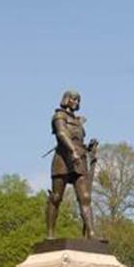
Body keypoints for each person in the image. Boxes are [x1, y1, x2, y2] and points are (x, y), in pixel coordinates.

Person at [46, 90, 99, 239]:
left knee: (85, 197)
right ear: (66, 100)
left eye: (78, 100)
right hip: (63, 159)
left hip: (79, 160)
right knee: (56, 197)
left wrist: (89, 148)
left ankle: (91, 233)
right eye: (74, 99)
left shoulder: (78, 122)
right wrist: (72, 151)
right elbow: (62, 134)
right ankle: (50, 234)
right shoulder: (59, 116)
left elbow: (78, 141)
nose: (76, 102)